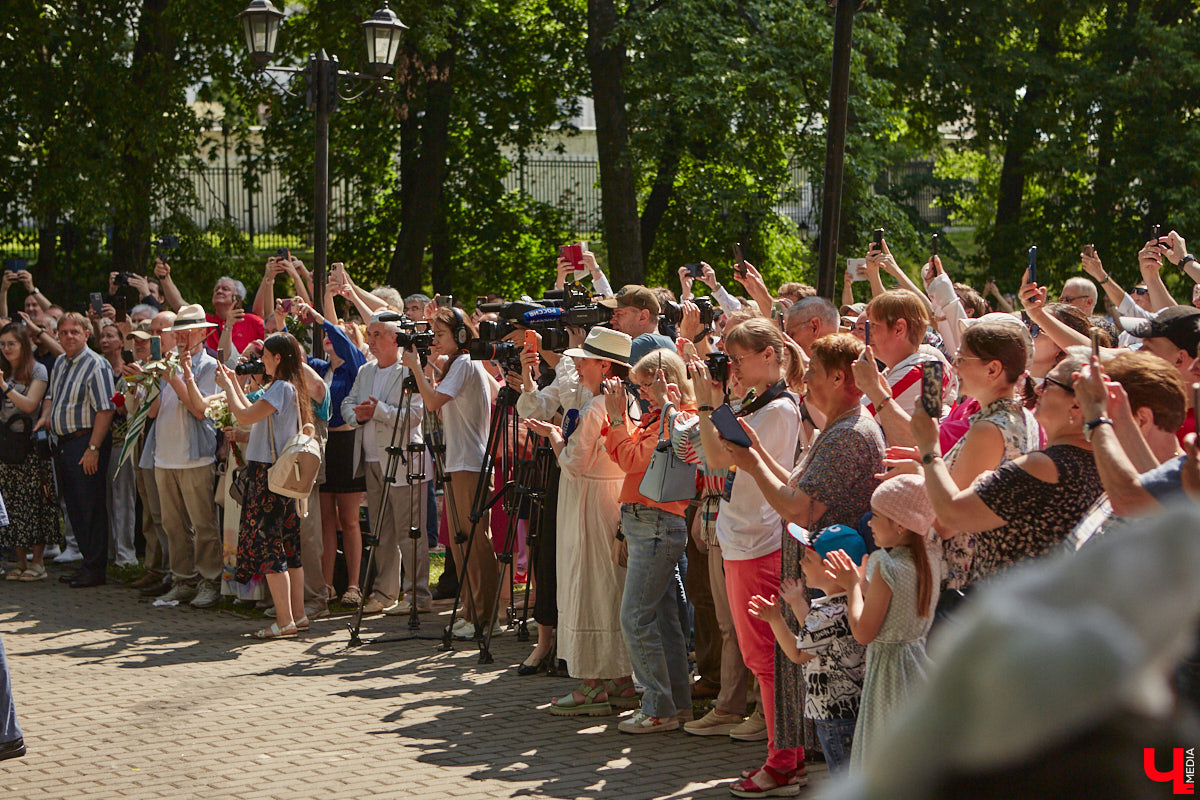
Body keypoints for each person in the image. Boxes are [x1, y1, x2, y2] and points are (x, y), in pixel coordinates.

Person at [712, 330, 880, 794]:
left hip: (832, 585)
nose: (805, 382)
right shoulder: (838, 426)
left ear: (839, 377)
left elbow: (800, 508)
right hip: (820, 580)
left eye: (814, 373)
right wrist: (757, 452)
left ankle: (797, 767)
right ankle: (792, 761)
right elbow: (797, 484)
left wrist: (751, 465)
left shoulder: (848, 434)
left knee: (825, 690)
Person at [913, 351, 1103, 583]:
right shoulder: (1099, 462)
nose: (1038, 389)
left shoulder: (1045, 466)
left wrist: (929, 448)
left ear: (1077, 404)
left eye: (1049, 384)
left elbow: (950, 517)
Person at [524, 328, 636, 714]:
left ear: (605, 365)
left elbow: (573, 463)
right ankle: (620, 679)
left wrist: (555, 436)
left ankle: (592, 684)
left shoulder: (596, 406)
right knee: (609, 586)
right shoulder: (626, 401)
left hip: (588, 503)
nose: (578, 366)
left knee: (587, 584)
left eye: (585, 360)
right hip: (610, 499)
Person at [602, 349, 697, 734]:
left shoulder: (680, 419)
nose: (640, 393)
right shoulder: (661, 418)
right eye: (638, 386)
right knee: (662, 619)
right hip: (650, 524)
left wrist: (615, 418)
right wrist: (620, 421)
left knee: (635, 617)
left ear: (666, 382)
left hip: (656, 525)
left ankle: (658, 708)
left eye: (645, 386)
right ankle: (676, 704)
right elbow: (622, 452)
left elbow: (629, 458)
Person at [823, 474, 937, 770]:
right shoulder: (930, 560)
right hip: (919, 668)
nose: (870, 523)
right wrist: (862, 583)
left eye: (876, 516)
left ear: (900, 525)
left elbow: (863, 633)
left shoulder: (885, 565)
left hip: (888, 676)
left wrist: (851, 586)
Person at [403, 307, 500, 637]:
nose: (435, 340)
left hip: (469, 464)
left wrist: (417, 367)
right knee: (461, 544)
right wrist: (429, 372)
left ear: (460, 335)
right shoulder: (462, 364)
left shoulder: (464, 362)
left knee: (474, 543)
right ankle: (473, 612)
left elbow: (432, 404)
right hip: (462, 462)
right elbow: (443, 410)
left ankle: (484, 618)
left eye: (440, 334)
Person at [748, 523, 868, 774]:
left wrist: (775, 619)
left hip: (834, 716)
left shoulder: (828, 614)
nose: (801, 562)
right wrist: (796, 602)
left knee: (844, 777)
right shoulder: (849, 604)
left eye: (809, 558)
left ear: (831, 570)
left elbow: (798, 653)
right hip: (853, 710)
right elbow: (815, 638)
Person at [216, 332, 312, 638]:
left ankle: (284, 621)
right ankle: (297, 615)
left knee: (270, 546)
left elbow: (244, 415)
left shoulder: (281, 387)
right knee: (289, 547)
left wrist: (227, 386)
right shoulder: (287, 387)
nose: (262, 361)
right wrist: (234, 384)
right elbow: (253, 411)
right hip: (283, 475)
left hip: (268, 475)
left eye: (266, 356)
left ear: (278, 358)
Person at [341, 311, 429, 615]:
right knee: (381, 531)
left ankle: (417, 595)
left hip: (403, 461)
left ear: (396, 338)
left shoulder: (409, 370)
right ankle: (384, 593)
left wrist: (378, 411)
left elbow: (415, 415)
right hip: (372, 460)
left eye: (377, 334)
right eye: (370, 334)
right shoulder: (365, 370)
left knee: (409, 530)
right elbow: (348, 402)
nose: (371, 340)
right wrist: (357, 415)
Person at [146, 305, 222, 608]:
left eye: (188, 332)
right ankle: (182, 580)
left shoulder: (209, 366)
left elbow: (200, 410)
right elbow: (151, 412)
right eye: (177, 332)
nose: (181, 337)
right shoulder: (167, 364)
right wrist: (149, 380)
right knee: (173, 525)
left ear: (203, 333)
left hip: (195, 457)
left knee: (203, 525)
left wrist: (174, 378)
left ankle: (210, 580)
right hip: (164, 456)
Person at [37, 312, 115, 588]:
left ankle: (96, 569)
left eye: (74, 331)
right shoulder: (60, 362)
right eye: (64, 332)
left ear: (86, 334)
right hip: (64, 444)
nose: (69, 336)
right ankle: (86, 563)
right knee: (74, 506)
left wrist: (93, 448)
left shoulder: (97, 364)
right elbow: (52, 396)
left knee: (90, 506)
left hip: (86, 441)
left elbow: (106, 409)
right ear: (57, 335)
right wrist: (46, 417)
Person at [299, 299, 367, 607]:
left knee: (349, 520)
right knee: (325, 518)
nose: (329, 338)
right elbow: (296, 360)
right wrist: (284, 320)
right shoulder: (320, 368)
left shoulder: (355, 366)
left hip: (347, 443)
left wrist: (320, 318)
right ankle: (326, 584)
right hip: (323, 445)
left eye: (336, 335)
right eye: (326, 334)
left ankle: (353, 584)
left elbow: (343, 341)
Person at [0, 323, 57, 582]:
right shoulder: (4, 369)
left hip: (31, 446)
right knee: (12, 503)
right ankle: (20, 561)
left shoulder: (38, 369)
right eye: (3, 344)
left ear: (23, 345)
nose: (6, 348)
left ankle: (38, 562)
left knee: (35, 503)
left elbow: (30, 404)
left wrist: (4, 386)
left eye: (11, 343)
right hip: (6, 446)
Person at [96, 322, 136, 567]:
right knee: (105, 499)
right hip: (99, 442)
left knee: (122, 499)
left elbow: (125, 408)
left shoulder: (129, 371)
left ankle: (125, 554)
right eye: (102, 336)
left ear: (122, 342)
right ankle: (110, 551)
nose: (105, 340)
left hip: (121, 441)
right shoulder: (98, 368)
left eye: (111, 335)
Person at [599, 285, 675, 365]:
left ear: (643, 316)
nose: (612, 321)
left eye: (619, 314)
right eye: (613, 314)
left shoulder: (645, 344)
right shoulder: (663, 341)